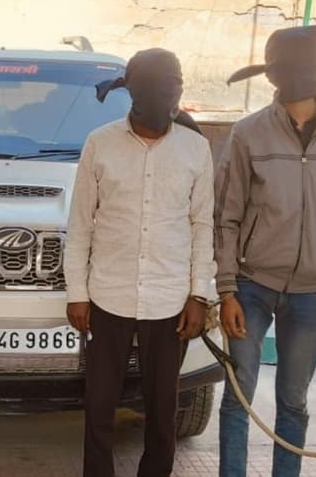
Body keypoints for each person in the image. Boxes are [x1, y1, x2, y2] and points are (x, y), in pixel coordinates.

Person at [64, 48, 216, 477]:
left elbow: (202, 226)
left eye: (172, 91)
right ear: (132, 94)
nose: (166, 102)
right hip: (107, 296)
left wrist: (198, 295)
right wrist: (77, 293)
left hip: (170, 301)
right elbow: (80, 225)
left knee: (163, 411)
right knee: (99, 407)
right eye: (156, 93)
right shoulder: (100, 144)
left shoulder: (195, 149)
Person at [215, 24, 316, 477]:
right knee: (239, 397)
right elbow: (226, 215)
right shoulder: (248, 133)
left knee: (294, 401)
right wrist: (226, 290)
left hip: (312, 291)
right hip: (251, 287)